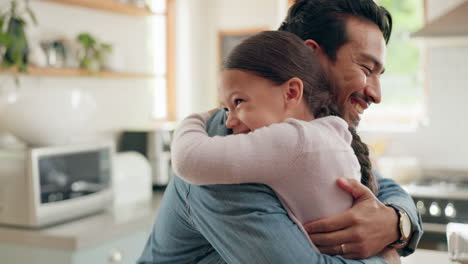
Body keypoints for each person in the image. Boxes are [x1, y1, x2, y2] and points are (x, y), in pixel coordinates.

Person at [137, 1, 423, 263]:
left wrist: (396, 223)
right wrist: (386, 257)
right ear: (313, 56)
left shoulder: (320, 134)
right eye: (365, 68)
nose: (376, 94)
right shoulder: (228, 144)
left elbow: (382, 186)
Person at [171, 30, 379, 249]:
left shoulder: (293, 141)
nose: (228, 122)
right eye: (224, 109)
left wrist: (199, 117)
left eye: (239, 101)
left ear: (291, 93)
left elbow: (188, 159)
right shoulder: (331, 135)